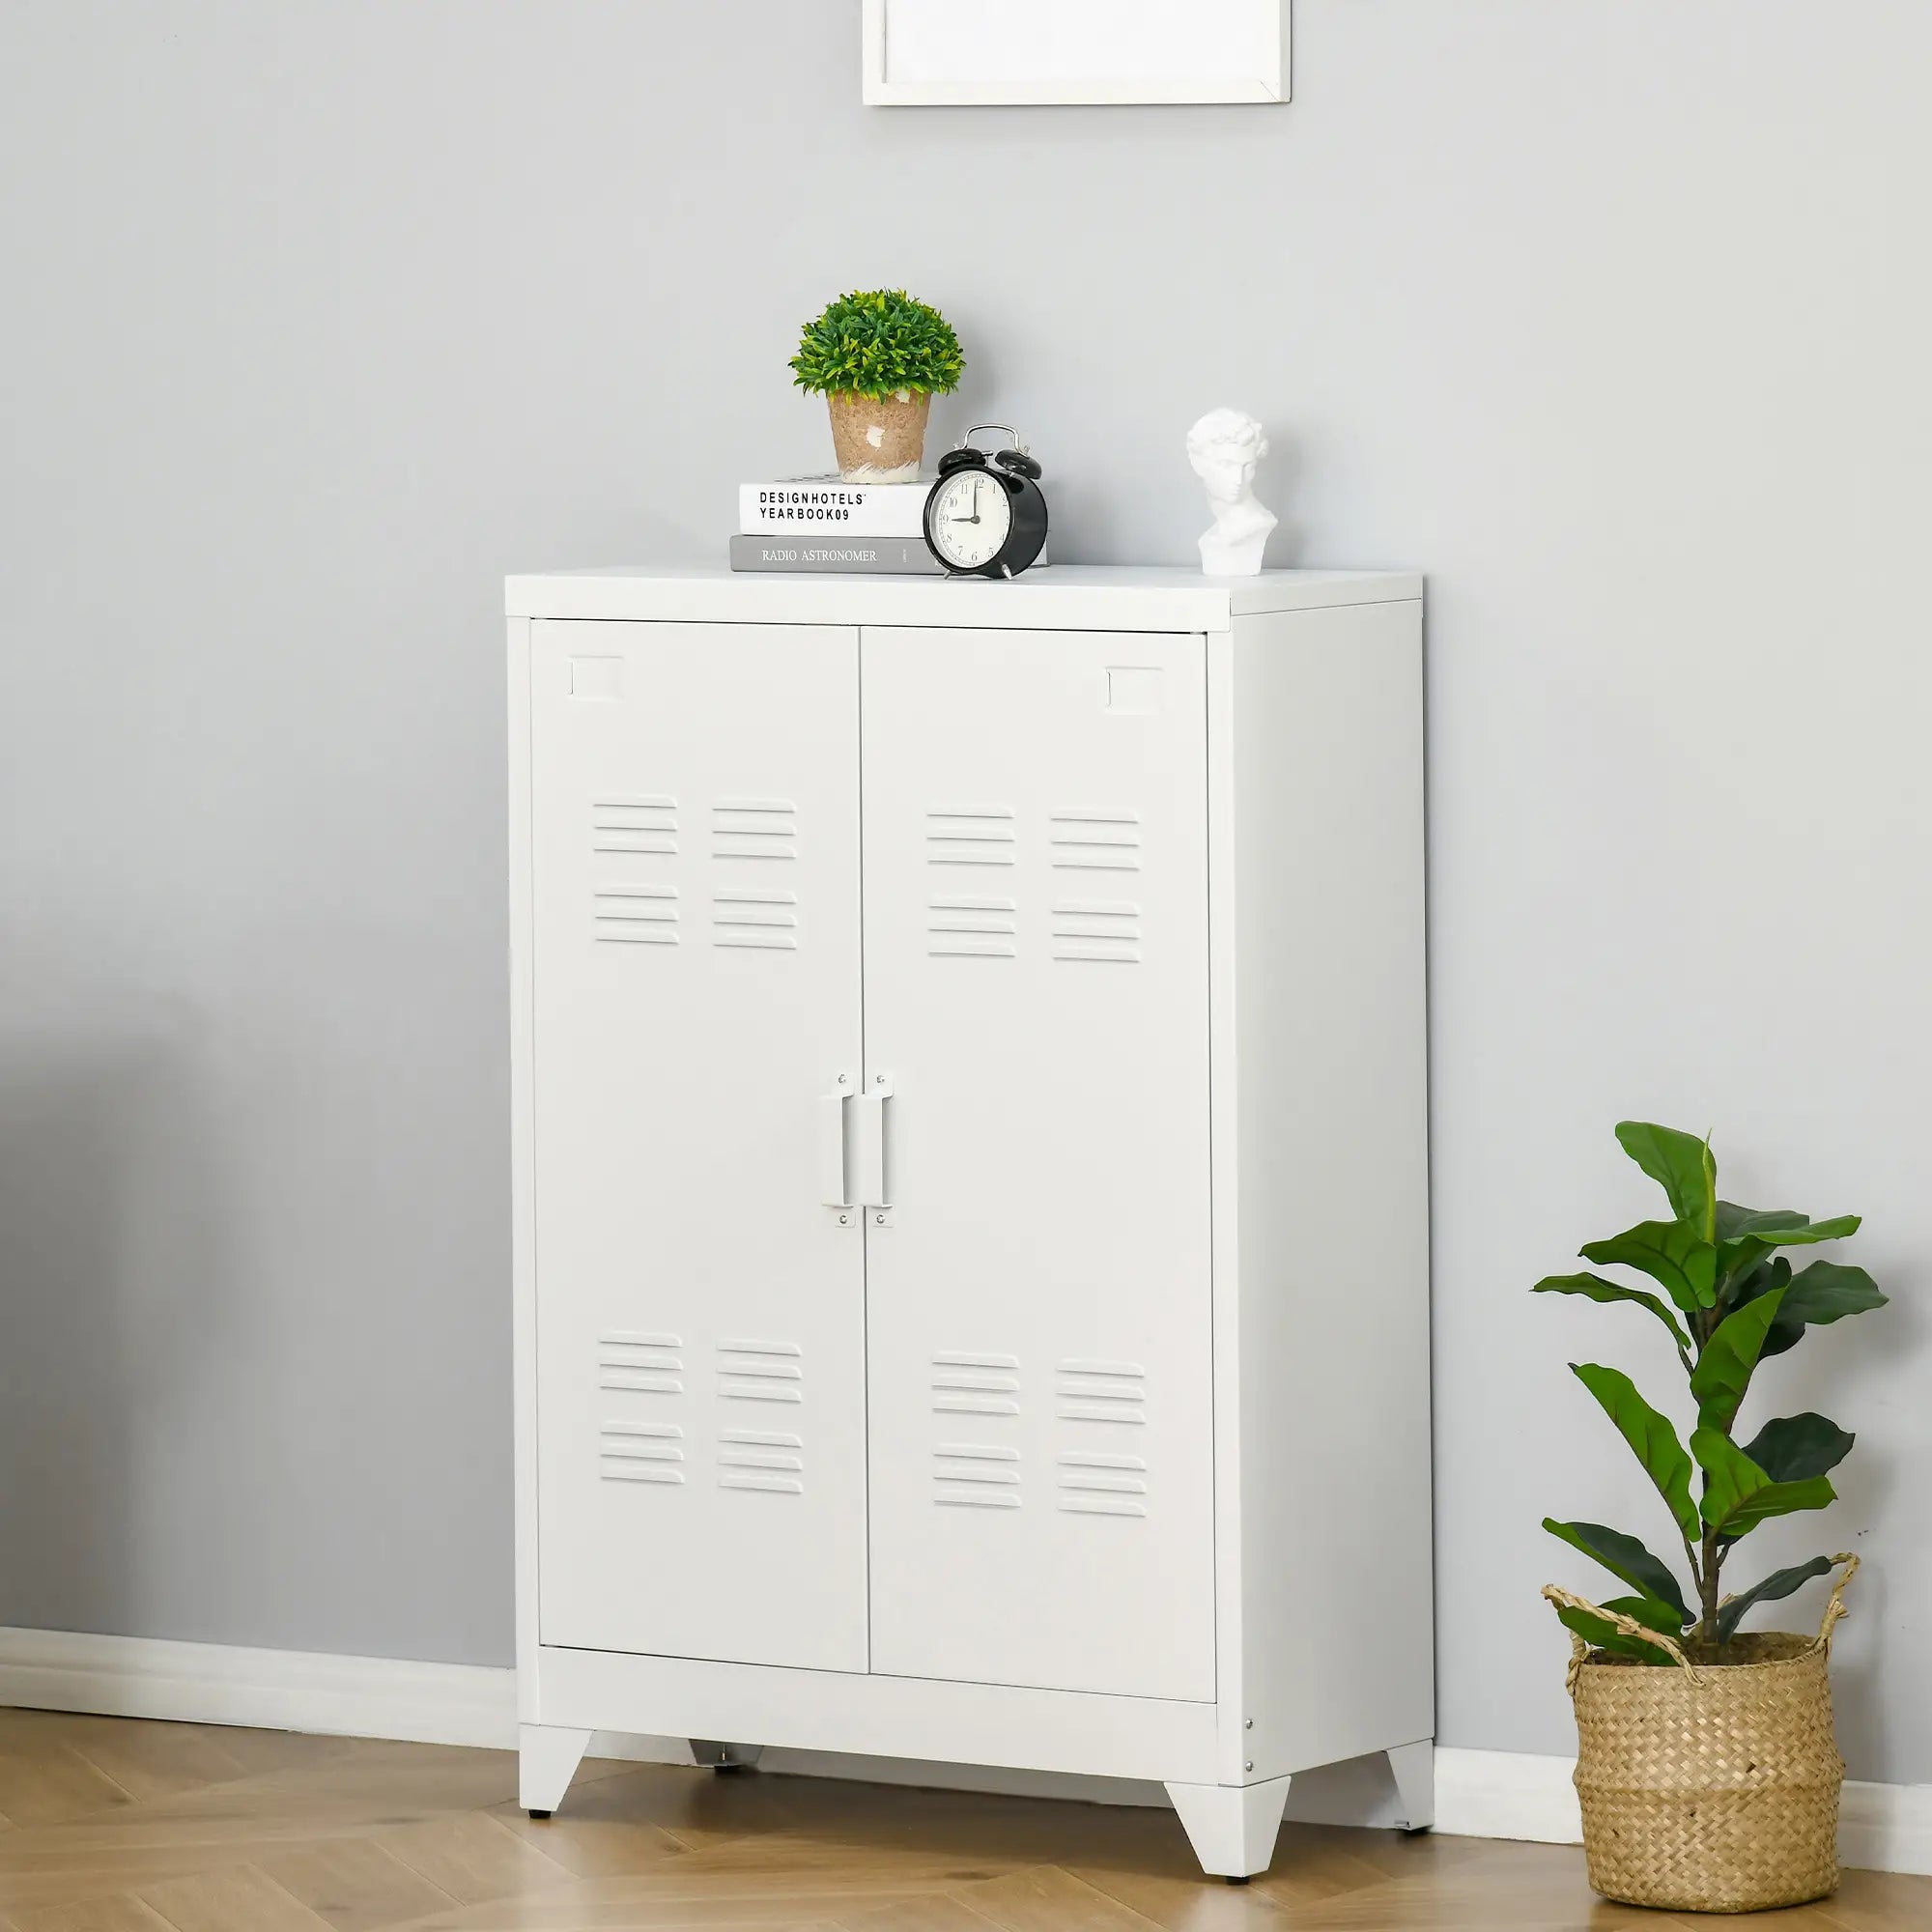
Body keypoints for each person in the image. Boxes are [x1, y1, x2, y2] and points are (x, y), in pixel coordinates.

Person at [1186, 409, 1276, 576]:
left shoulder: (1258, 526)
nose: (1238, 479)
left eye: (1248, 467)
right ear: (1198, 463)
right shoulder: (1211, 537)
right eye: (1227, 465)